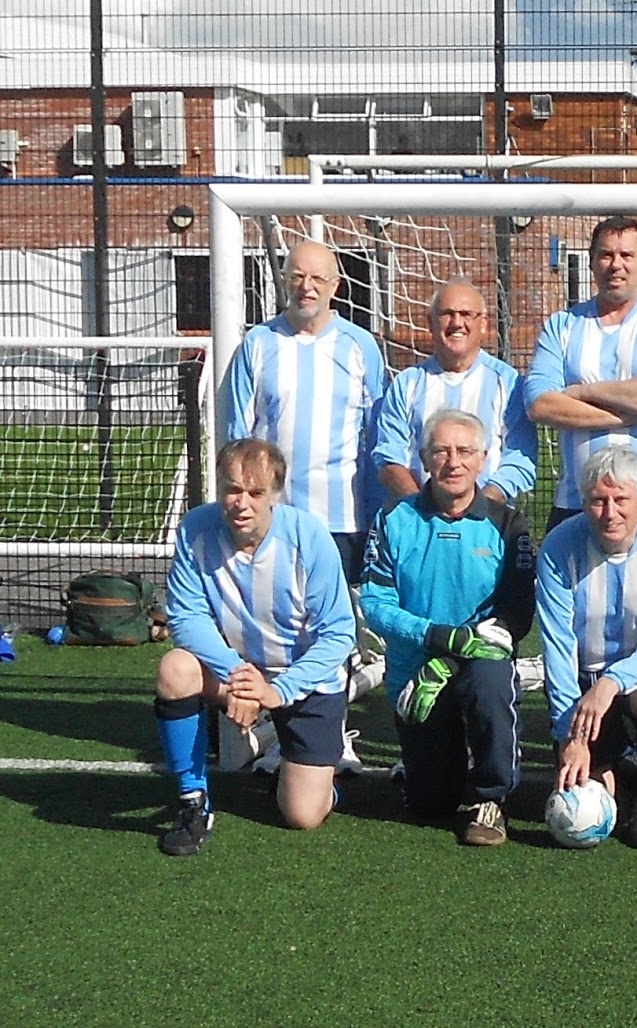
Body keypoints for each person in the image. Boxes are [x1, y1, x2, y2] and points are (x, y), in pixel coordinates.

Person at [152, 439, 356, 856]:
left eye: (255, 493)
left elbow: (338, 635)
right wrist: (239, 675)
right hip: (239, 674)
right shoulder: (195, 529)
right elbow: (186, 617)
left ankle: (312, 770)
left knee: (302, 816)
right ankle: (194, 802)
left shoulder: (308, 537)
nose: (241, 503)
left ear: (275, 495)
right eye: (232, 489)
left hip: (304, 681)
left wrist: (276, 691)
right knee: (175, 670)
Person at [360, 410, 535, 846]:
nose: (452, 462)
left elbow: (517, 613)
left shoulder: (509, 524)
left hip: (481, 659)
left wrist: (457, 653)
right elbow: (376, 605)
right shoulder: (393, 520)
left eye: (464, 451)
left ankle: (493, 797)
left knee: (491, 683)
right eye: (441, 451)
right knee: (430, 805)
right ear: (423, 458)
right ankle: (432, 769)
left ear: (483, 459)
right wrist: (435, 639)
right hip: (416, 672)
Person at [535, 445, 637, 850]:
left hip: (635, 680)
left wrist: (612, 684)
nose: (609, 512)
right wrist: (570, 736)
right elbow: (557, 644)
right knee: (593, 791)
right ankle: (615, 767)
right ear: (583, 503)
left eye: (621, 500)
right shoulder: (559, 547)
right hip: (584, 687)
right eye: (597, 501)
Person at [220, 239, 388, 584]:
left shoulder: (360, 346)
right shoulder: (257, 343)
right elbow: (238, 437)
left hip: (341, 520)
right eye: (297, 277)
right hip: (273, 518)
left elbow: (377, 437)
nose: (306, 287)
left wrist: (375, 511)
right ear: (284, 280)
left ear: (335, 286)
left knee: (337, 624)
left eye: (317, 279)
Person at [523, 216, 637, 540]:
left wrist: (581, 392)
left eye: (626, 255)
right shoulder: (562, 325)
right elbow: (539, 403)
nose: (616, 265)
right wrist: (630, 413)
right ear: (591, 262)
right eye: (606, 255)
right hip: (577, 502)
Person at [372, 277, 537, 505]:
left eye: (466, 314)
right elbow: (389, 457)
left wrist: (479, 509)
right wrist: (421, 510)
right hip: (421, 522)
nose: (456, 322)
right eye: (447, 314)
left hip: (487, 522)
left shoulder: (508, 384)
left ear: (483, 323)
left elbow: (520, 459)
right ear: (431, 322)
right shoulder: (407, 384)